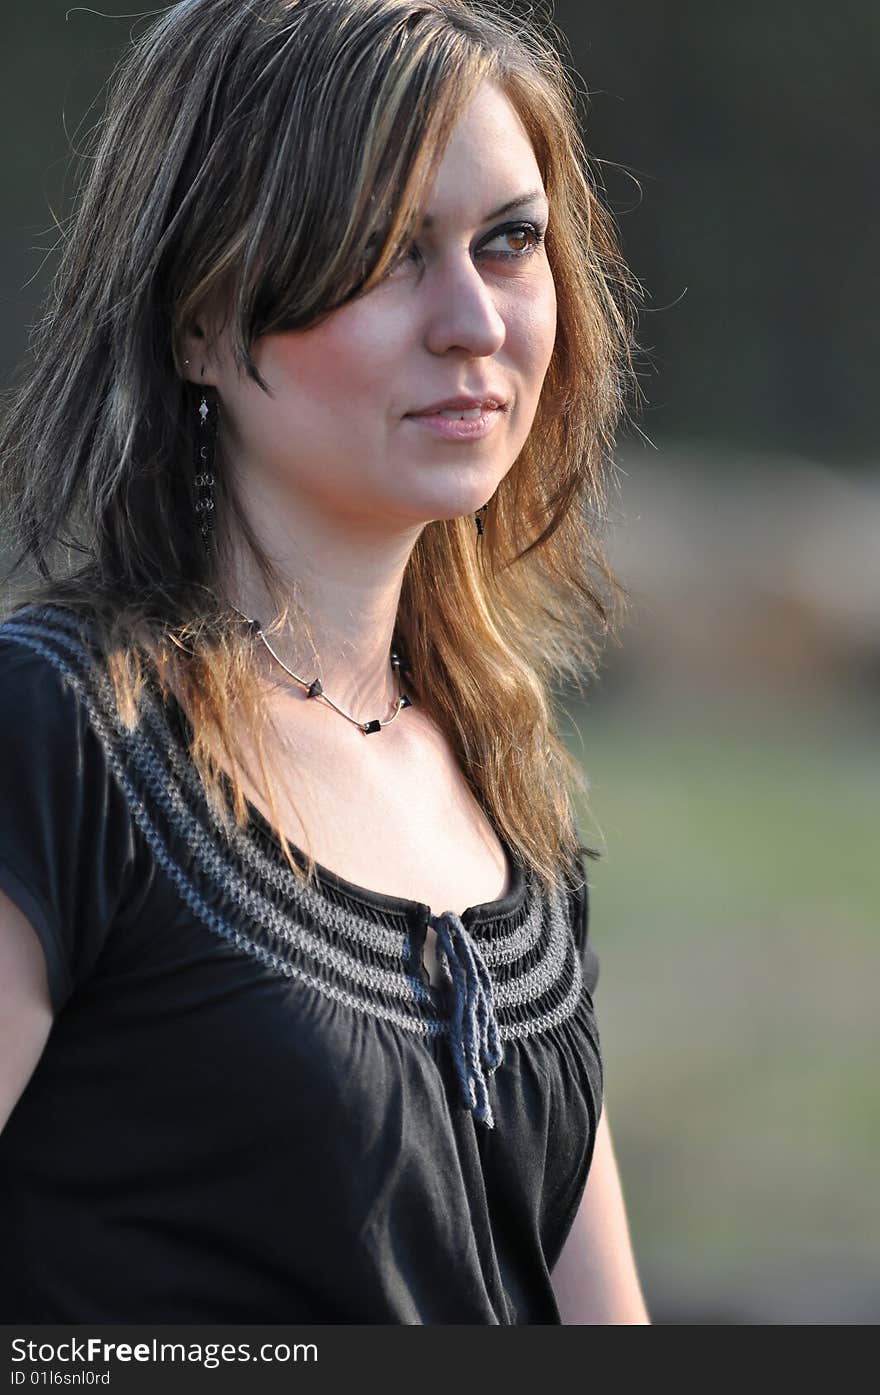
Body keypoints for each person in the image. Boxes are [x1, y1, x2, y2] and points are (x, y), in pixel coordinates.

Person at [0, 0, 649, 1323]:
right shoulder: (59, 731)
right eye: (386, 252)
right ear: (197, 319)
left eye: (508, 242)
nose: (472, 320)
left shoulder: (504, 784)